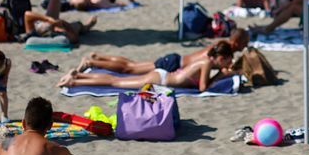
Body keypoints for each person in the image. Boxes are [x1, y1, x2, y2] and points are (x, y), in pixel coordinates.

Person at [58, 40, 235, 92]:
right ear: (220, 57)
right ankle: (76, 81)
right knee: (116, 81)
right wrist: (221, 76)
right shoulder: (206, 62)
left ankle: (79, 77)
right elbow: (204, 88)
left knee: (122, 75)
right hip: (162, 78)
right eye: (228, 60)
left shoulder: (206, 61)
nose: (229, 64)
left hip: (163, 76)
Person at [76, 29, 250, 76]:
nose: (245, 46)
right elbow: (223, 69)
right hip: (173, 64)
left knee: (131, 64)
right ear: (236, 42)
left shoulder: (221, 45)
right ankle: (92, 62)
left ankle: (98, 57)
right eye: (244, 43)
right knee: (128, 69)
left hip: (175, 59)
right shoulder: (224, 51)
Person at [23, 0, 97, 44]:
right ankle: (87, 26)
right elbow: (75, 38)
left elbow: (27, 14)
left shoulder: (33, 32)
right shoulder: (61, 34)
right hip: (60, 26)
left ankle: (67, 3)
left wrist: (48, 20)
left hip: (46, 21)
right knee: (78, 25)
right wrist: (63, 23)